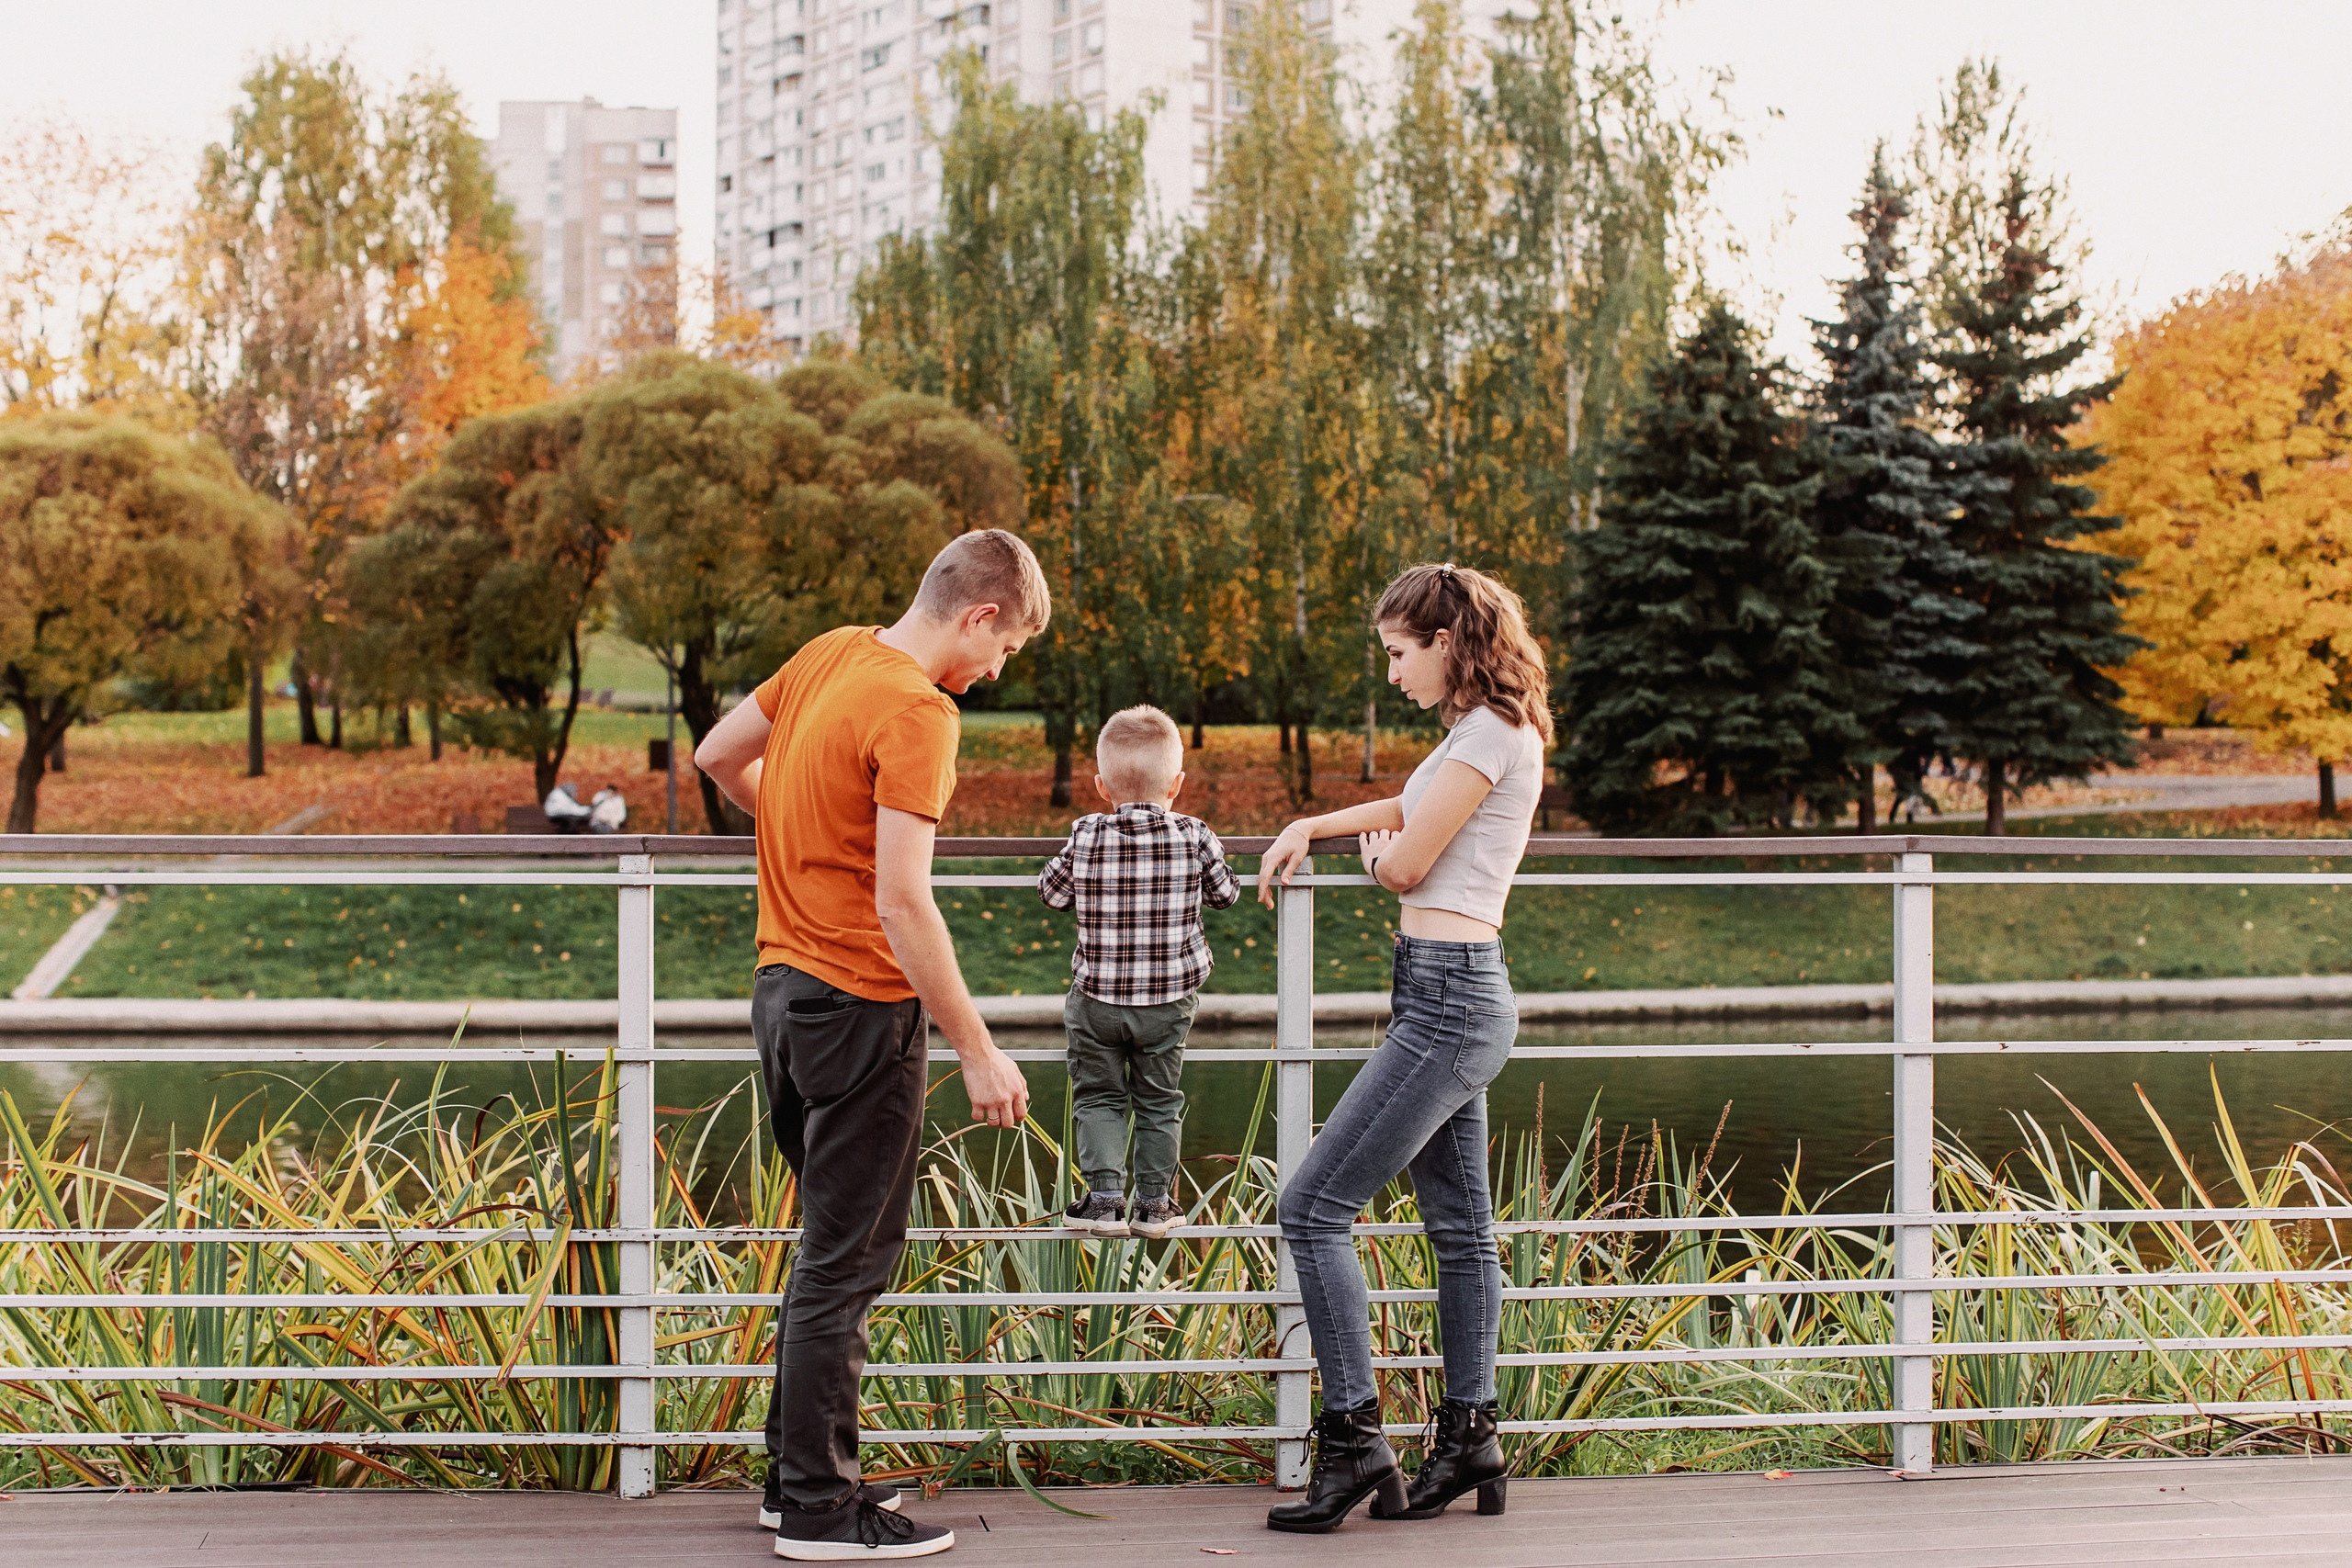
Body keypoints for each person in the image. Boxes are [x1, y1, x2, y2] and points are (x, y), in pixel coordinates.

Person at [695, 528, 1047, 1562]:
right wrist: (978, 1049)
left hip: (781, 995)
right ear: (978, 615)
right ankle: (818, 1512)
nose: (994, 673)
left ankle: (793, 1481)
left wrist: (805, 840)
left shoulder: (830, 651)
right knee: (848, 1266)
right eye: (1007, 650)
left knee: (826, 1257)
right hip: (858, 1009)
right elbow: (903, 900)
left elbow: (720, 756)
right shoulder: (915, 709)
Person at [1255, 562, 1551, 1535]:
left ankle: (1352, 1443)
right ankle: (1468, 1438)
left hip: (1450, 1004)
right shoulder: (1477, 734)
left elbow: (1410, 857)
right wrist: (1314, 822)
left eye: (1396, 654)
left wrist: (1372, 860)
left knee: (1311, 1207)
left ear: (1447, 643)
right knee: (1461, 1231)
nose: (1389, 674)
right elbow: (1407, 805)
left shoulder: (1488, 733)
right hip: (1444, 993)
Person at [1038, 705, 1241, 1241]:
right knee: (1159, 1098)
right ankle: (1155, 1206)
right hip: (1169, 1001)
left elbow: (1052, 892)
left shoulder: (1085, 834)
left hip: (1097, 998)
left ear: (1102, 786)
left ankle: (1104, 1199)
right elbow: (1225, 894)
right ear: (1177, 783)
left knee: (1099, 1095)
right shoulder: (1196, 835)